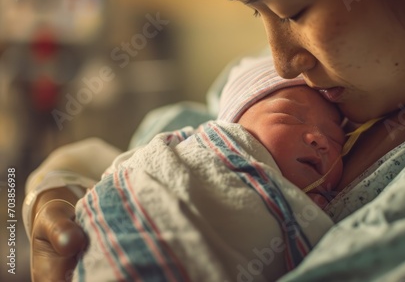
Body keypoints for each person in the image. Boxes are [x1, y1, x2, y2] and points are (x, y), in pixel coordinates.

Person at [25, 0, 405, 281]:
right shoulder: (291, 91)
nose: (282, 61)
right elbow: (158, 148)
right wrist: (51, 188)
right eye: (258, 13)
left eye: (293, 10)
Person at [71, 56, 344, 281]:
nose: (319, 138)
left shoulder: (308, 212)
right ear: (235, 122)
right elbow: (127, 171)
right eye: (290, 115)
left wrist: (306, 213)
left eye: (336, 139)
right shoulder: (197, 144)